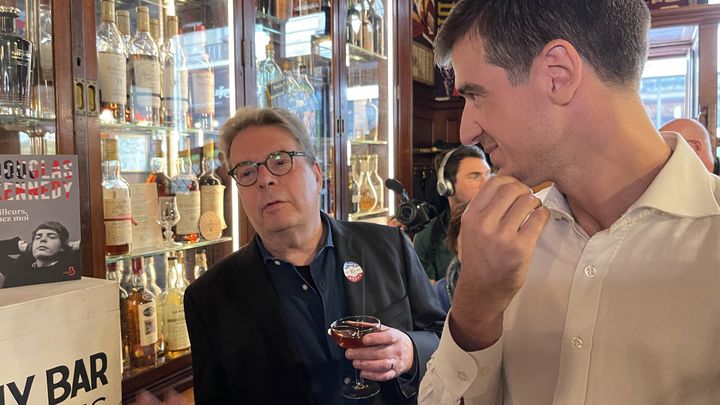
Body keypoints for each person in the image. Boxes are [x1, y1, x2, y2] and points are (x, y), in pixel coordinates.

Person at [419, 1, 720, 404]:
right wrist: (474, 313)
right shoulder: (501, 240)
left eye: (476, 96)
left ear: (557, 74)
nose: (465, 130)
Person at [184, 107, 446, 405]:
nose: (264, 180)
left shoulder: (389, 246)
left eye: (280, 162)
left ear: (316, 174)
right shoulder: (209, 297)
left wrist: (409, 351)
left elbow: (442, 339)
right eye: (246, 171)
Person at [413, 146, 490, 282]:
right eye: (475, 176)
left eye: (488, 174)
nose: (487, 183)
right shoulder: (427, 237)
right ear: (446, 186)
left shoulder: (507, 226)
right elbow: (427, 298)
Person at [0, 221, 81, 288]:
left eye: (51, 237)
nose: (42, 239)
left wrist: (68, 246)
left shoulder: (72, 263)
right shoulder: (20, 265)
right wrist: (25, 247)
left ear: (62, 246)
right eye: (38, 237)